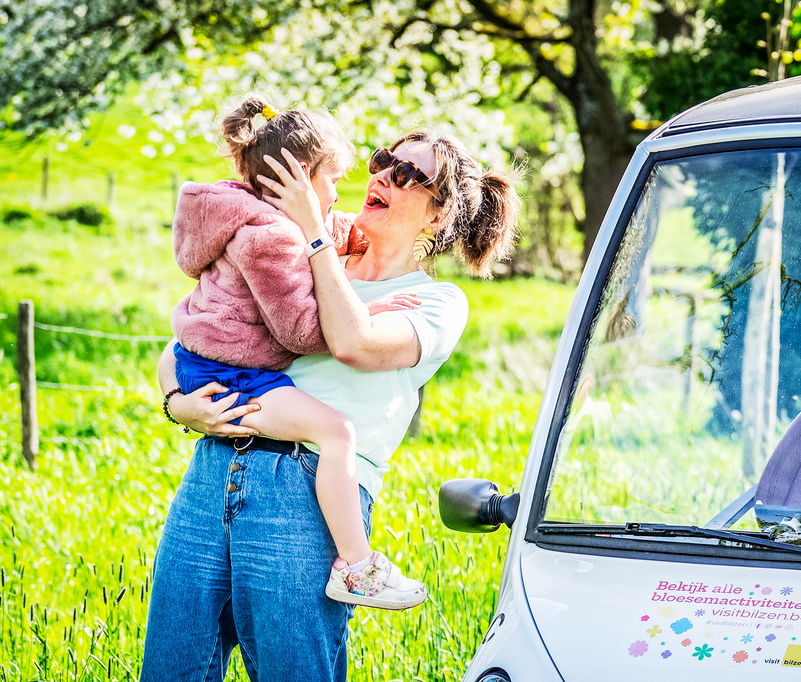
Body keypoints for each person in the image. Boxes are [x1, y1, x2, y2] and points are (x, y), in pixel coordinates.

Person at [141, 128, 521, 681]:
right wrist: (179, 405)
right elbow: (195, 337)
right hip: (213, 474)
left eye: (409, 174)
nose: (384, 176)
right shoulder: (300, 257)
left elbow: (354, 342)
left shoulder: (438, 302)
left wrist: (315, 235)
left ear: (437, 216)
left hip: (307, 494)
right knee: (170, 670)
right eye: (384, 160)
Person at [167, 93, 424, 611]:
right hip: (235, 375)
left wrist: (331, 233)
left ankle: (356, 565)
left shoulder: (247, 213)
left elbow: (324, 231)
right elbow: (301, 333)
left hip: (213, 365)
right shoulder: (272, 238)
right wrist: (371, 311)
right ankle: (357, 566)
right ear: (304, 177)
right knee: (337, 432)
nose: (341, 193)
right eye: (333, 180)